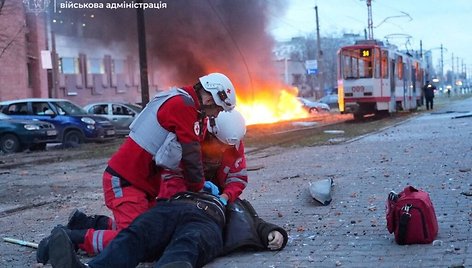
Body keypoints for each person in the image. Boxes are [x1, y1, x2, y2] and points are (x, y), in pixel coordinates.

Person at [36, 73, 238, 264]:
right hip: (126, 181)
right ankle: (72, 239)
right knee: (135, 240)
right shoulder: (183, 106)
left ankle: (86, 224)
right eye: (219, 109)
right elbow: (191, 155)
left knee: (153, 231)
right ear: (211, 99)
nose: (217, 114)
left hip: (143, 185)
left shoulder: (185, 104)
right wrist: (199, 189)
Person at [46, 192, 288, 268]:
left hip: (208, 220)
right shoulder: (186, 172)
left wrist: (273, 232)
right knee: (135, 234)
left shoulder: (233, 197)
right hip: (172, 208)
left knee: (189, 242)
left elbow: (254, 221)